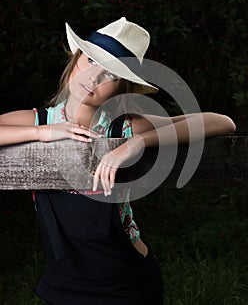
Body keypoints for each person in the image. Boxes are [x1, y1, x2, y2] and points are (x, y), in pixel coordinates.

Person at [0, 17, 236, 305]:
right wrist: (42, 132)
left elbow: (222, 123)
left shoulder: (123, 128)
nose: (94, 78)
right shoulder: (38, 120)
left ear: (121, 87)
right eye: (90, 60)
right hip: (65, 283)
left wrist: (138, 142)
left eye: (110, 74)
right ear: (75, 60)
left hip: (126, 281)